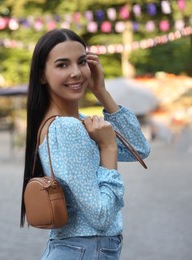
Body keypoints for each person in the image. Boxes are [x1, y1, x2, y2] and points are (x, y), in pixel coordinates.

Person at [20, 29, 151, 260]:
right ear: (42, 75)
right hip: (85, 250)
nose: (76, 73)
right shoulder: (66, 128)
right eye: (62, 65)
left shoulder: (76, 123)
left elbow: (139, 150)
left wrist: (101, 91)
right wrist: (108, 148)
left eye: (82, 62)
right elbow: (101, 216)